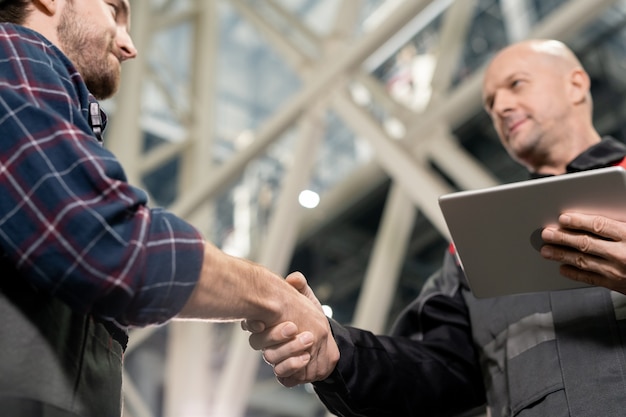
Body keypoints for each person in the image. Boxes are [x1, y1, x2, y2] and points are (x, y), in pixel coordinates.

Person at [247, 39, 626, 417]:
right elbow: (434, 369)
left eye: (516, 84)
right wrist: (336, 352)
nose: (502, 107)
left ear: (576, 84)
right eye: (491, 103)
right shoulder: (477, 241)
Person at [0, 1, 337, 416]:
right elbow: (109, 246)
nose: (128, 46)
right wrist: (275, 297)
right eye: (114, 10)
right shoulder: (10, 53)